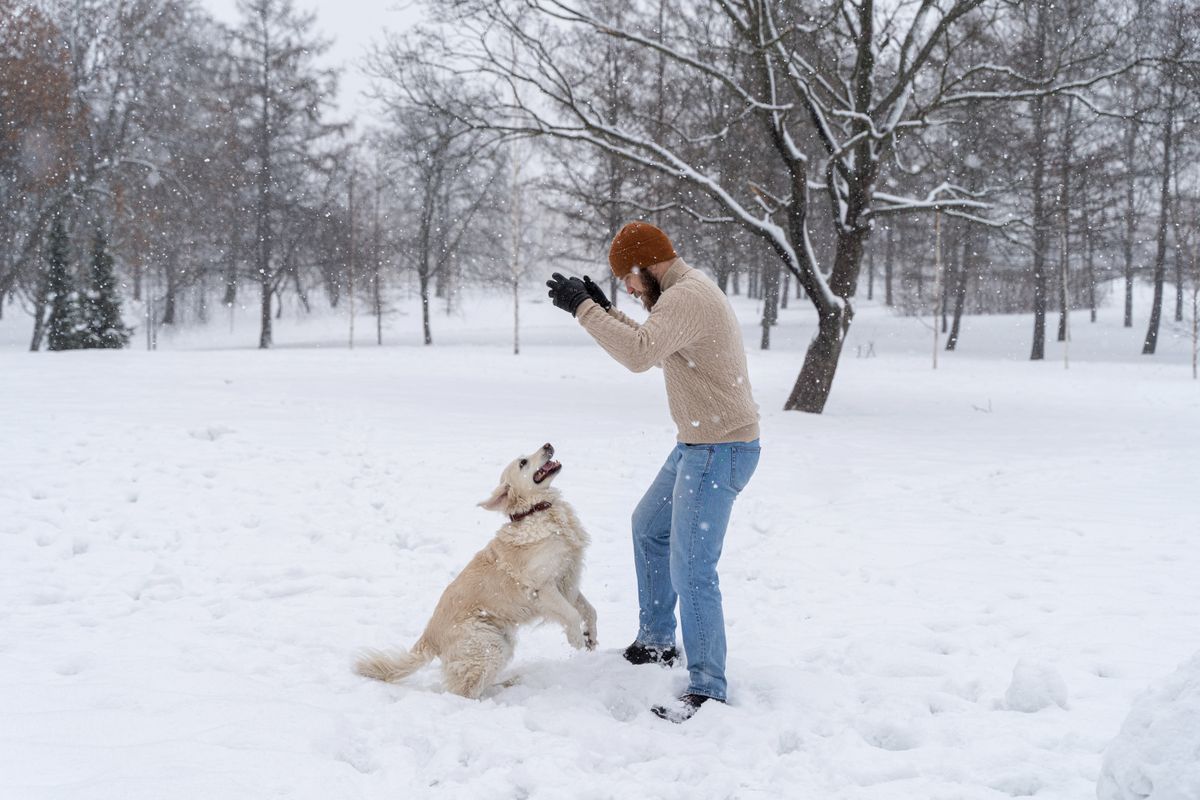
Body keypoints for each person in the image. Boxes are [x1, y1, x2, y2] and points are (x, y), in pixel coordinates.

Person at [546, 220, 761, 723]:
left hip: (718, 448)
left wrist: (584, 310)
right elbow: (654, 343)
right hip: (698, 444)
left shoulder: (687, 296)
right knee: (649, 527)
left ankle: (708, 686)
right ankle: (659, 641)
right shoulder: (681, 295)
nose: (628, 287)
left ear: (649, 264)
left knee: (693, 568)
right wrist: (605, 311)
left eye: (630, 278)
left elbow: (640, 354)